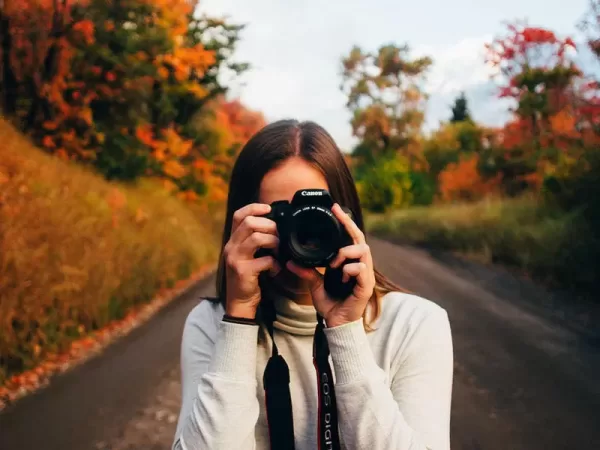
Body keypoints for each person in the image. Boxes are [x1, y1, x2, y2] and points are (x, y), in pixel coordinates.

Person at [172, 119, 453, 450]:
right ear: (242, 222)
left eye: (316, 215)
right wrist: (238, 318)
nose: (301, 233)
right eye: (282, 216)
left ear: (347, 218)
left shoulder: (414, 324)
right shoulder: (211, 323)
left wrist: (346, 330)